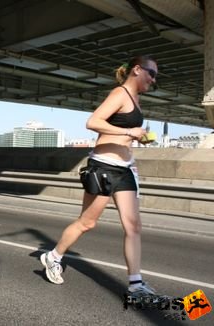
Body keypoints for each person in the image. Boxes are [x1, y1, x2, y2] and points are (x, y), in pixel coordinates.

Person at [40, 55, 159, 300]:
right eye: (152, 73)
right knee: (87, 222)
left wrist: (135, 146)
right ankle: (53, 256)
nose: (154, 80)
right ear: (137, 70)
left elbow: (126, 137)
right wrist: (129, 130)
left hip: (125, 169)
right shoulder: (120, 94)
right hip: (103, 167)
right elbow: (93, 122)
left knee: (134, 227)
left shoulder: (136, 100)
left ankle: (135, 285)